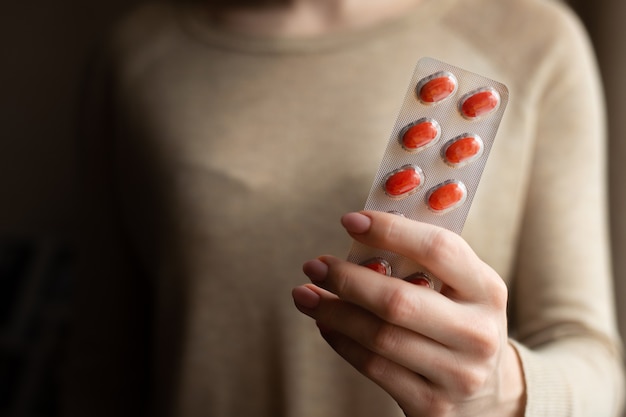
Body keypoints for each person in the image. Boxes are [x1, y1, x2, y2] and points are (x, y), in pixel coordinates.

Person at [66, 0, 625, 416]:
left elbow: (598, 368)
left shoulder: (530, 35)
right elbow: (100, 364)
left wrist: (503, 388)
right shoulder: (136, 55)